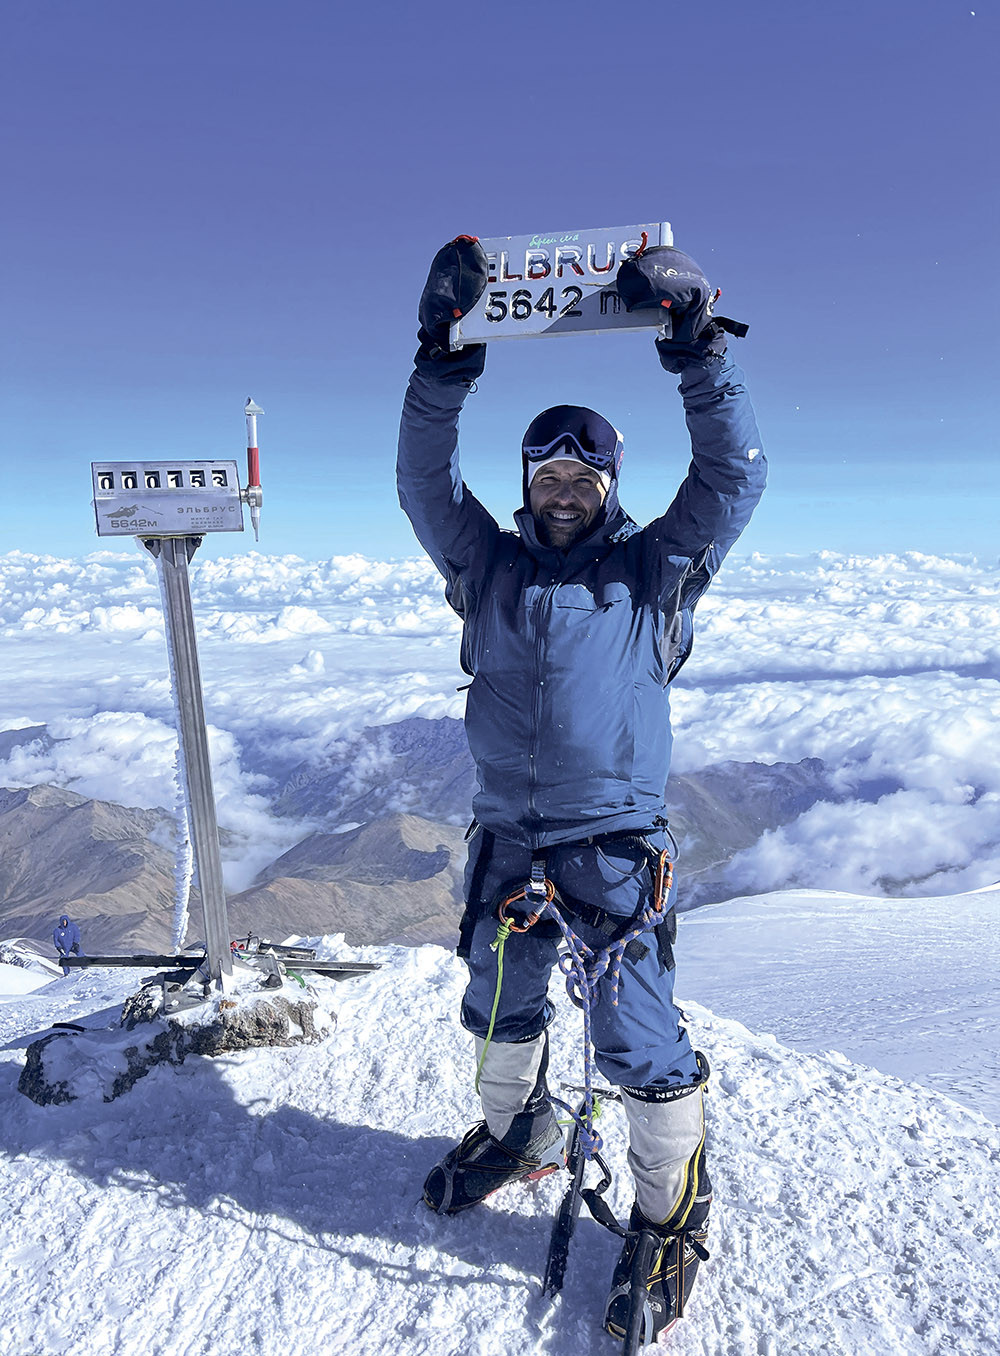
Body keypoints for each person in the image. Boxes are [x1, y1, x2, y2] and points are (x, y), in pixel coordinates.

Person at [396, 236, 766, 1342]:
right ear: (528, 485)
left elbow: (732, 476)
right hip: (508, 841)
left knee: (639, 1041)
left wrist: (698, 350)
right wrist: (441, 358)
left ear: (610, 485)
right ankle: (523, 1133)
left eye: (583, 478)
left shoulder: (653, 573)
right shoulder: (486, 567)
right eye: (547, 477)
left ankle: (669, 1213)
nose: (563, 493)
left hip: (612, 848)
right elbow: (422, 482)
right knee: (497, 1008)